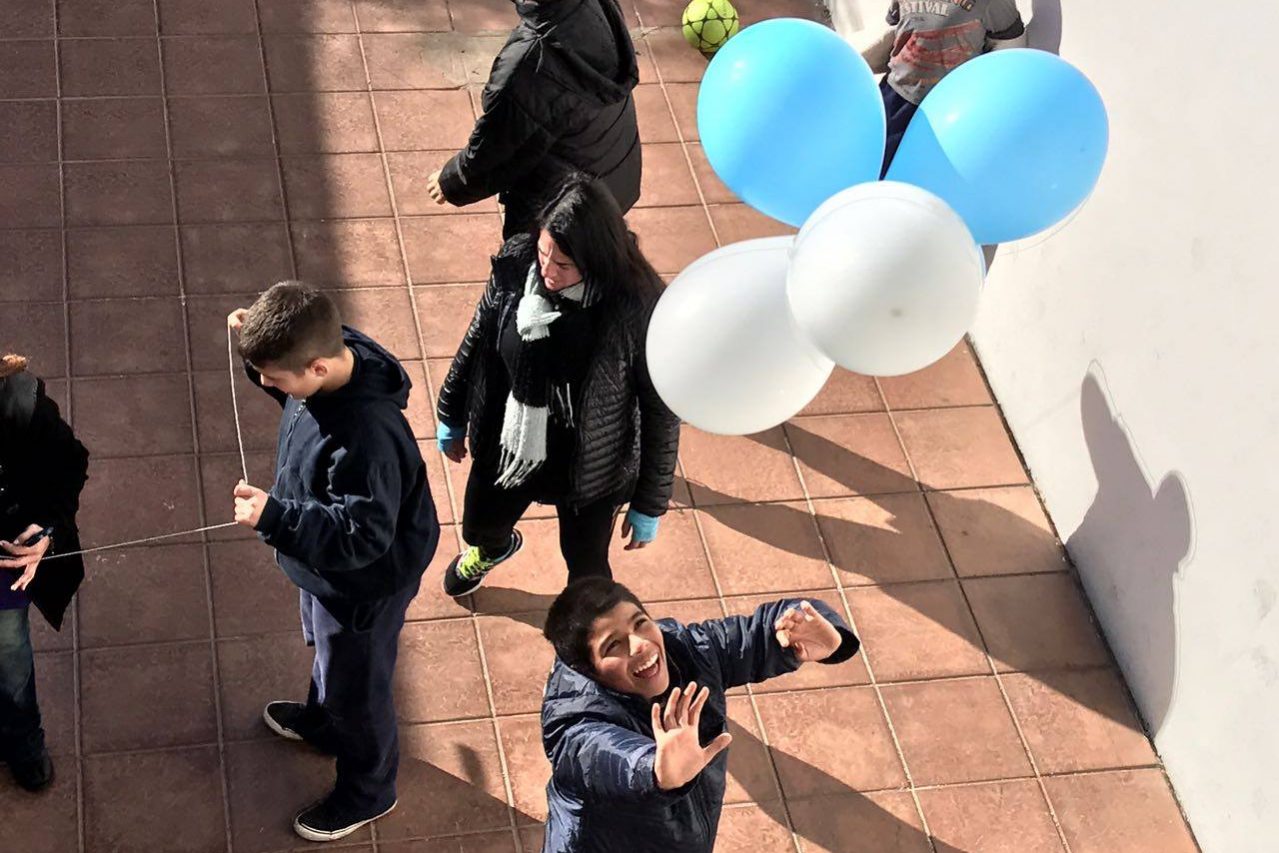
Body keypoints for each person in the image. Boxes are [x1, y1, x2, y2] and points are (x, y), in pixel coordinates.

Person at [226, 284, 440, 842]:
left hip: (363, 584)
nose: (269, 387)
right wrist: (260, 348)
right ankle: (323, 722)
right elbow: (293, 372)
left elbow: (361, 537)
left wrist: (275, 517)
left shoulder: (367, 438)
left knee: (359, 692)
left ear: (317, 367)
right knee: (329, 656)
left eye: (275, 378)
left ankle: (369, 791)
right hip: (326, 570)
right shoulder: (332, 358)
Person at [434, 174, 679, 598]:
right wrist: (450, 412)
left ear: (596, 259)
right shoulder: (516, 263)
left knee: (587, 569)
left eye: (563, 264)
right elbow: (478, 339)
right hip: (509, 441)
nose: (546, 271)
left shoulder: (637, 307)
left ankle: (589, 639)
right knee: (478, 526)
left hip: (589, 462)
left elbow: (661, 408)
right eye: (544, 253)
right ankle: (495, 549)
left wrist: (650, 503)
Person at [538, 578, 861, 851]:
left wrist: (812, 630)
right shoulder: (574, 724)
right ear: (588, 670)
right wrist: (656, 770)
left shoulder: (689, 650)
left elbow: (759, 632)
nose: (640, 645)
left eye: (640, 623)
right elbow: (604, 756)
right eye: (613, 646)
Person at [425, 0, 642, 239]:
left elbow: (499, 144)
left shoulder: (529, 63)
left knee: (539, 271)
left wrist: (453, 179)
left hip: (555, 212)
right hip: (612, 179)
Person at [0, 354, 89, 792]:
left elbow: (69, 466)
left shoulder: (20, 399)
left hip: (5, 564)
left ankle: (23, 741)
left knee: (9, 653)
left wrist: (47, 531)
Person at [866, 0, 1027, 175]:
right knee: (872, 169)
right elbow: (896, 28)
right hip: (894, 97)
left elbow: (1010, 52)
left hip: (946, 112)